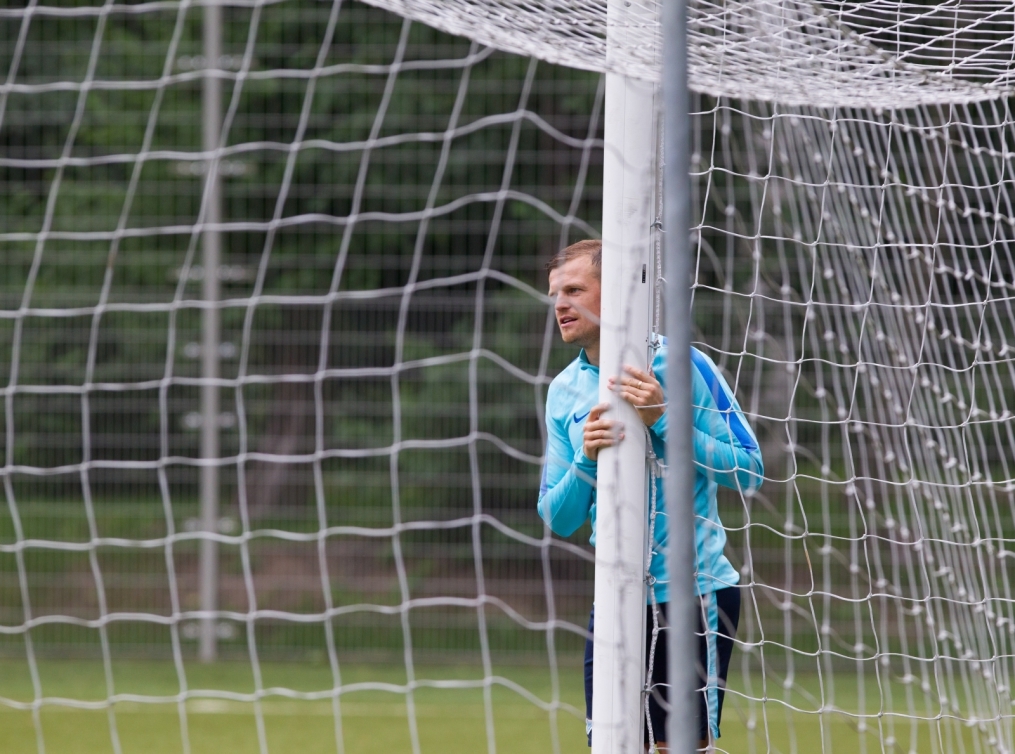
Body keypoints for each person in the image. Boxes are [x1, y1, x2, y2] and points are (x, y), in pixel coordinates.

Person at [536, 239, 764, 751]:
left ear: (615, 293)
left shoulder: (684, 365)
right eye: (555, 294)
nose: (561, 305)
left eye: (574, 290)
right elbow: (558, 515)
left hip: (695, 595)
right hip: (614, 599)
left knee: (674, 748)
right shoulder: (564, 391)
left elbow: (750, 471)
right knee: (611, 745)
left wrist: (664, 422)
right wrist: (584, 460)